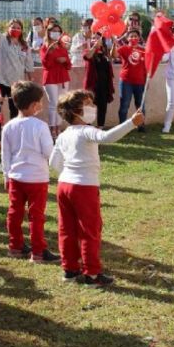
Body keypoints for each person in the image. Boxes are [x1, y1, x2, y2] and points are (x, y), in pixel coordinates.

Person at [50, 90, 144, 286]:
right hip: (84, 187)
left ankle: (70, 270)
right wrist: (131, 123)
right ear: (76, 111)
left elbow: (54, 161)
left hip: (64, 185)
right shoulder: (86, 131)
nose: (93, 108)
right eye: (88, 104)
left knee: (66, 228)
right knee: (89, 230)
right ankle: (92, 274)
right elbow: (108, 137)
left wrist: (68, 174)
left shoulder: (63, 134)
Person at [0, 81, 60, 263]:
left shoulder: (8, 126)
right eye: (40, 102)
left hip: (15, 177)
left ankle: (15, 246)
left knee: (14, 212)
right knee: (36, 215)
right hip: (37, 178)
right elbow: (49, 152)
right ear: (34, 105)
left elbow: (5, 154)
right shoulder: (40, 126)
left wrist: (6, 175)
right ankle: (39, 251)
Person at [40, 23, 72, 137]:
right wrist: (50, 51)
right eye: (54, 31)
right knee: (53, 103)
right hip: (50, 78)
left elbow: (69, 65)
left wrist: (64, 60)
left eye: (58, 31)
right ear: (48, 32)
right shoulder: (45, 47)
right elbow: (45, 65)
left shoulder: (62, 46)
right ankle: (52, 128)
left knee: (61, 103)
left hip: (63, 78)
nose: (56, 33)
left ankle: (58, 127)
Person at [111, 28, 146, 131]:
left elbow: (146, 66)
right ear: (127, 38)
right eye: (131, 36)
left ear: (139, 38)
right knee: (124, 104)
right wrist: (114, 44)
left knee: (141, 105)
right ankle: (122, 127)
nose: (133, 38)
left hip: (140, 82)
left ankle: (141, 125)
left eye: (136, 36)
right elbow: (114, 55)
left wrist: (147, 81)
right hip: (126, 81)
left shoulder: (143, 50)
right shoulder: (124, 49)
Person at [82, 32, 114, 129]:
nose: (96, 40)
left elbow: (113, 57)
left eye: (98, 38)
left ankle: (100, 127)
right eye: (93, 38)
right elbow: (88, 56)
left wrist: (114, 44)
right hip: (92, 84)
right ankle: (88, 127)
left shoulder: (105, 52)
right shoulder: (88, 50)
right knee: (89, 106)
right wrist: (95, 46)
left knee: (102, 106)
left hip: (104, 84)